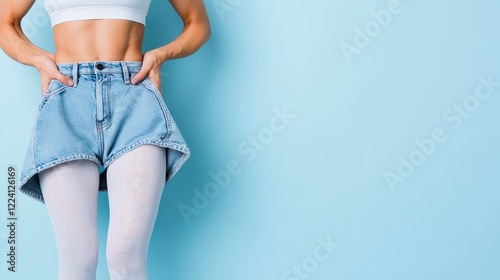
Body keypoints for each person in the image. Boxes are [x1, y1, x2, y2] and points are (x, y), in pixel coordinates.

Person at [0, 0, 211, 278]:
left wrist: (161, 54)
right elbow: (6, 22)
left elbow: (198, 23)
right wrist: (37, 58)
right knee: (79, 258)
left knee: (126, 256)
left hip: (133, 96)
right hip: (67, 96)